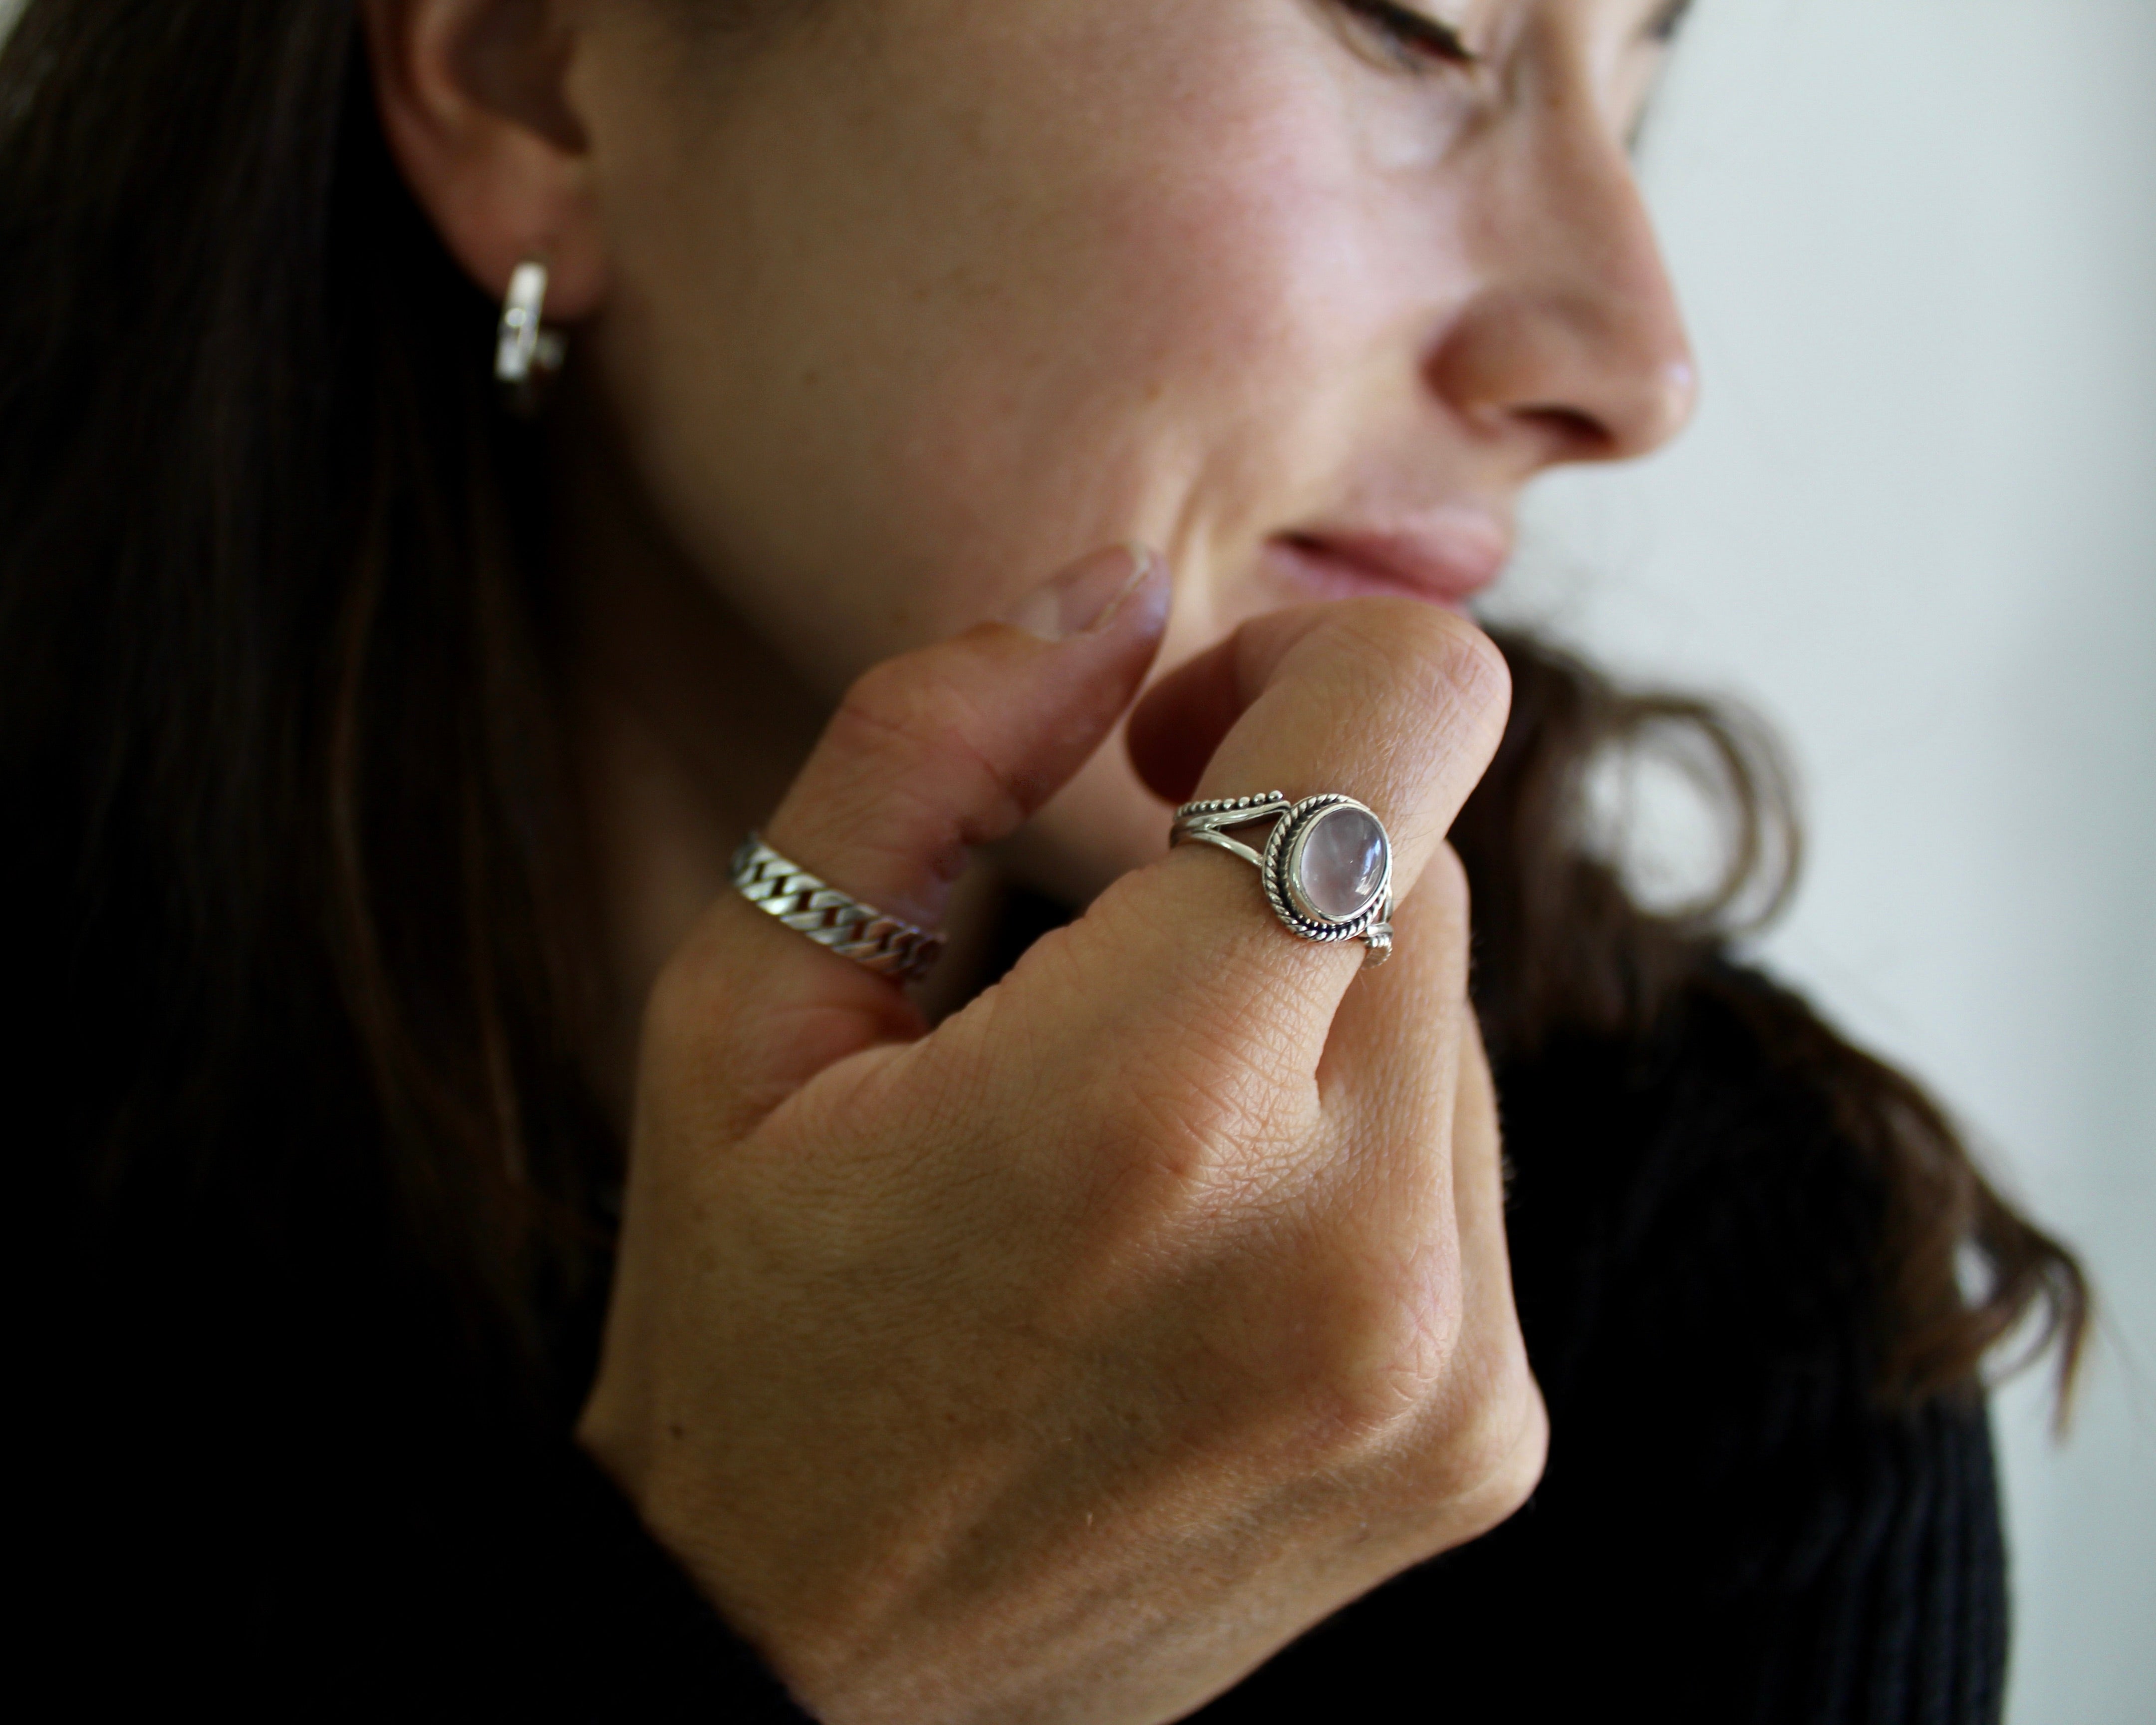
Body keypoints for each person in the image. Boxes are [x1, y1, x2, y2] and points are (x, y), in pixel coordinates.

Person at [4, 0, 2086, 1718]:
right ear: (544, 72)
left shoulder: (1725, 1312)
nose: (1638, 364)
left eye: (1646, 78)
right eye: (1416, 30)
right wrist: (797, 1641)